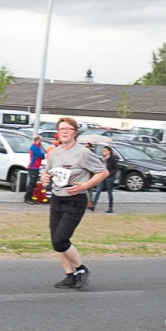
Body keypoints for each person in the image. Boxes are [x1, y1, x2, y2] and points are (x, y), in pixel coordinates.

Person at [41, 117, 108, 289]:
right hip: (57, 199)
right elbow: (48, 173)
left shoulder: (83, 153)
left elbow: (103, 172)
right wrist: (45, 177)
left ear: (75, 132)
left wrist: (84, 185)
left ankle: (80, 269)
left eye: (68, 129)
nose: (64, 131)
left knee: (61, 240)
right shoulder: (55, 152)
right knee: (55, 242)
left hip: (75, 201)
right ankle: (70, 276)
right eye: (61, 128)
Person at [92, 145, 119, 213]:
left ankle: (110, 207)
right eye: (103, 151)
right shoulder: (103, 158)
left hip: (109, 177)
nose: (103, 152)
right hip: (102, 177)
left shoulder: (112, 158)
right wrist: (102, 162)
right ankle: (93, 205)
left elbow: (115, 168)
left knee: (109, 192)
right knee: (98, 191)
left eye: (105, 151)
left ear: (109, 151)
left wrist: (110, 174)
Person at [24, 134, 46, 203]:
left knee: (33, 184)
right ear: (38, 140)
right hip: (33, 167)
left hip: (36, 167)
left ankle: (30, 197)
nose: (41, 142)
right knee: (32, 183)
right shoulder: (35, 147)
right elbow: (41, 155)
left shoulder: (36, 147)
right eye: (40, 140)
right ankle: (27, 198)